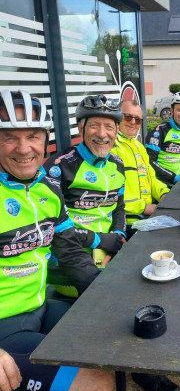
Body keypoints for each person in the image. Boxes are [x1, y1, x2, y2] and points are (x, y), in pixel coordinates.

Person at [0, 90, 113, 391]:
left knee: (111, 339)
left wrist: (107, 291)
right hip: (4, 330)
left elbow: (70, 251)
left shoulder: (48, 188)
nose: (24, 149)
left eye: (33, 136)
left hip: (38, 308)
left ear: (45, 140)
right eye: (9, 137)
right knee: (96, 384)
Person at [44, 94, 126, 271]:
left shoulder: (118, 165)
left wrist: (118, 236)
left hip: (108, 250)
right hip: (70, 257)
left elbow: (119, 207)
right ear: (81, 129)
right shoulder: (59, 166)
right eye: (94, 125)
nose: (102, 134)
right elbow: (49, 225)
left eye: (109, 127)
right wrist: (100, 240)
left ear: (116, 131)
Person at [111, 100, 170, 238]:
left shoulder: (139, 146)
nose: (133, 122)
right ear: (117, 117)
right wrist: (143, 207)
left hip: (147, 216)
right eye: (127, 117)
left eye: (138, 119)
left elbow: (151, 178)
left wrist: (164, 193)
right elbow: (111, 195)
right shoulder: (112, 147)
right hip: (129, 221)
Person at [146, 91, 180, 186]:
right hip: (160, 183)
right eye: (179, 109)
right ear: (172, 111)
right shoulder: (159, 131)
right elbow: (149, 161)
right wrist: (174, 177)